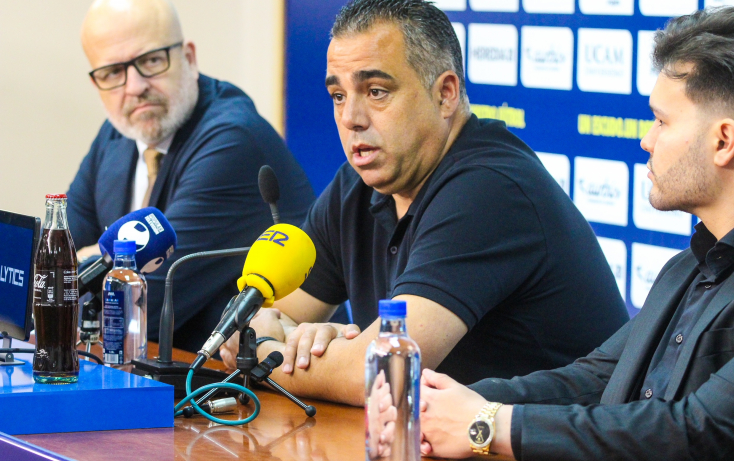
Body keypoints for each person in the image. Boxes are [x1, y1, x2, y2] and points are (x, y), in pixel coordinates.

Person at [220, 0, 628, 406]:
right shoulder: (358, 186)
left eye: (376, 92)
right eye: (338, 95)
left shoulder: (490, 189)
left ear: (445, 94)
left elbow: (382, 373)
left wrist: (267, 353)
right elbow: (246, 324)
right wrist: (297, 344)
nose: (351, 118)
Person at [418, 7, 734, 460]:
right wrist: (444, 402)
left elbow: (694, 432)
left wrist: (486, 424)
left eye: (662, 121)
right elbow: (594, 378)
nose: (647, 139)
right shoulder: (687, 268)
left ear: (723, 141)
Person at [68, 0, 315, 352]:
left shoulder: (233, 140)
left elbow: (138, 306)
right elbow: (58, 260)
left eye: (151, 61)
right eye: (112, 72)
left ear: (189, 57)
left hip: (254, 383)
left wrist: (92, 263)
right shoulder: (117, 134)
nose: (134, 86)